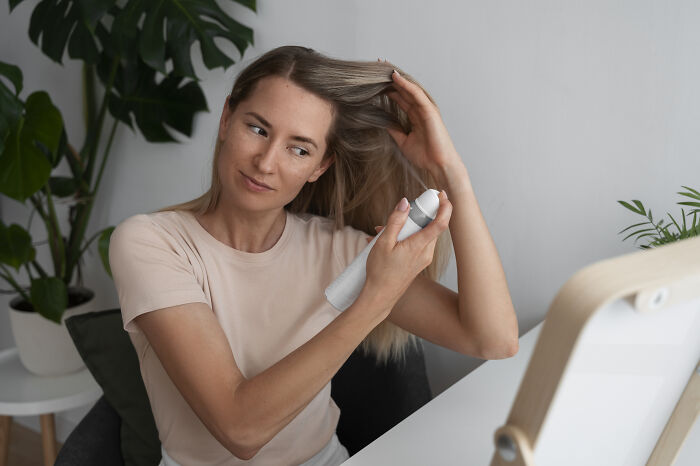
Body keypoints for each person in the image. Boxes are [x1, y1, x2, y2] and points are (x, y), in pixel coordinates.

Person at [108, 45, 518, 466]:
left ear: (321, 166)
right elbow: (240, 429)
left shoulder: (338, 251)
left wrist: (451, 171)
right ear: (227, 118)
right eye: (258, 129)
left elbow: (493, 339)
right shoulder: (150, 243)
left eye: (299, 149)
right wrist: (375, 298)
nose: (266, 163)